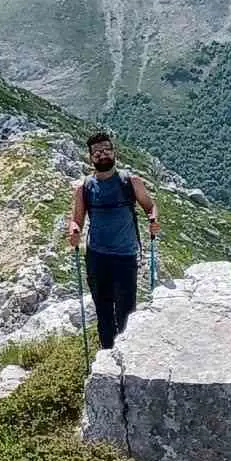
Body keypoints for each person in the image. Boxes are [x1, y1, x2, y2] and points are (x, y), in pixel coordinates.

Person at [68, 130, 160, 349]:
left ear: (114, 152)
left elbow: (150, 206)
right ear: (90, 157)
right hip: (96, 257)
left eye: (106, 150)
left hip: (125, 256)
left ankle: (129, 354)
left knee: (126, 311)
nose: (102, 155)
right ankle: (108, 355)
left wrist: (153, 219)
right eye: (97, 152)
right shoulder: (84, 188)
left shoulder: (131, 181)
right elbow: (76, 219)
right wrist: (74, 231)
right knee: (103, 311)